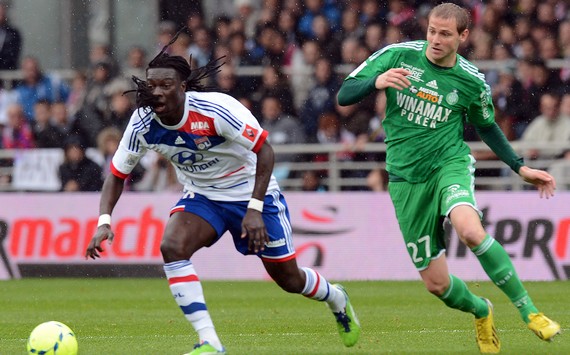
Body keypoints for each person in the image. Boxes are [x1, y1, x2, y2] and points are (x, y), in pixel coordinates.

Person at [85, 30, 360, 355]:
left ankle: (335, 297)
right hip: (204, 197)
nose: (156, 92)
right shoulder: (143, 123)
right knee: (172, 247)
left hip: (251, 193)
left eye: (166, 85)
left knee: (289, 279)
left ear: (183, 88)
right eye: (151, 85)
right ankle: (210, 343)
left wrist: (255, 208)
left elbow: (265, 151)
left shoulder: (217, 110)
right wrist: (104, 219)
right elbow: (117, 174)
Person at [337, 3, 560, 353]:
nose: (435, 40)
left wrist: (519, 167)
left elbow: (487, 127)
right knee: (437, 284)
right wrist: (376, 81)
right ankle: (481, 310)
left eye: (445, 34)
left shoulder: (471, 81)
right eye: (431, 31)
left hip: (448, 165)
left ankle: (529, 311)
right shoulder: (397, 56)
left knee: (470, 230)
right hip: (405, 179)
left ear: (463, 36)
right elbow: (344, 95)